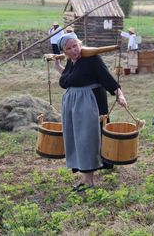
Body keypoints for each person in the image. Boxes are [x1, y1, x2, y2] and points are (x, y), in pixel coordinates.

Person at [52, 33, 127, 192]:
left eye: (75, 45)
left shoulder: (92, 59)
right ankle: (85, 175)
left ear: (80, 44)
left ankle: (88, 180)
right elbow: (68, 80)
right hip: (74, 106)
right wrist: (57, 66)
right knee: (77, 139)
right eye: (69, 48)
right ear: (64, 52)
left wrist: (119, 94)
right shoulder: (72, 62)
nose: (74, 50)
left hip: (89, 103)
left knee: (87, 138)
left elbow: (107, 78)